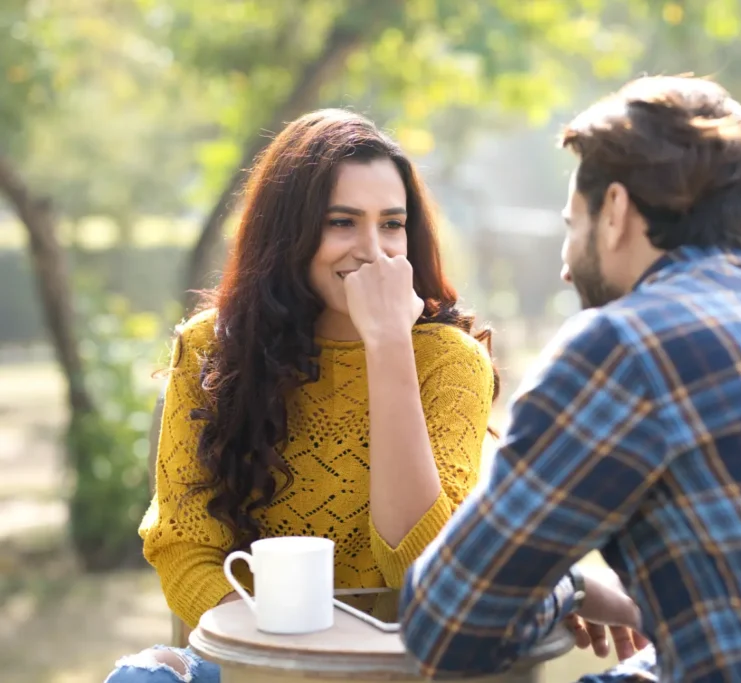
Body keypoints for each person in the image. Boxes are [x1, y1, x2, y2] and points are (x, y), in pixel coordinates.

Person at [398, 75, 741, 682]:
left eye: (572, 226)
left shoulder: (622, 345)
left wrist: (570, 586)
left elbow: (444, 623)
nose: (566, 268)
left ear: (614, 212)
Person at [105, 110, 498, 683]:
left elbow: (421, 566)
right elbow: (185, 547)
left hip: (392, 665)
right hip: (248, 655)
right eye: (342, 223)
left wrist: (388, 343)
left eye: (392, 224)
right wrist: (275, 662)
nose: (374, 250)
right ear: (288, 231)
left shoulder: (450, 362)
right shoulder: (211, 348)